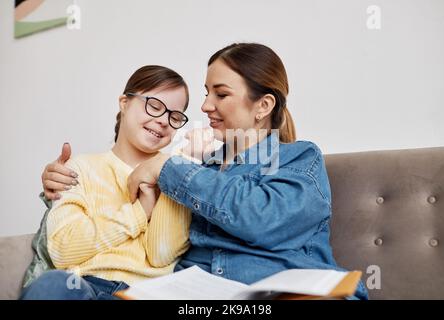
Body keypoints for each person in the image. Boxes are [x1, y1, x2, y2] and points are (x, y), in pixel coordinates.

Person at [40, 43, 369, 299]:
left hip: (284, 293)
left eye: (221, 94)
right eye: (206, 92)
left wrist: (170, 166)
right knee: (54, 287)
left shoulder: (298, 158)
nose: (205, 106)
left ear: (263, 106)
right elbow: (162, 248)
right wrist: (55, 188)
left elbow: (260, 218)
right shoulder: (200, 166)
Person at [21, 65, 192, 300]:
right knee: (51, 285)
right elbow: (63, 251)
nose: (163, 120)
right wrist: (139, 212)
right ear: (124, 103)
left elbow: (162, 255)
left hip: (145, 294)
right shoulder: (79, 168)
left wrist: (172, 167)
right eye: (154, 106)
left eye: (174, 116)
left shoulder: (176, 175)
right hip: (85, 287)